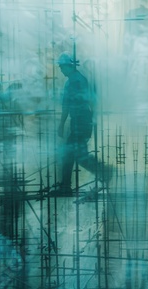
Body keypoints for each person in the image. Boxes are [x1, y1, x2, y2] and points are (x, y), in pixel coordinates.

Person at [52, 52, 100, 196]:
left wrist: (61, 124)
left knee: (75, 154)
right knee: (72, 154)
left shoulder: (74, 81)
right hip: (82, 121)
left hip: (80, 121)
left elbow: (67, 105)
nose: (60, 70)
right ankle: (65, 186)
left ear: (69, 66)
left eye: (62, 67)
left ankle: (105, 173)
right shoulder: (79, 79)